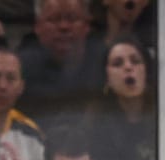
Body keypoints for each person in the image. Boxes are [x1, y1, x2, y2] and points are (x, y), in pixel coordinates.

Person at [15, 0, 108, 131]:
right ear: (37, 27)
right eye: (54, 20)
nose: (64, 27)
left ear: (87, 25)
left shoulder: (107, 61)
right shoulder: (18, 68)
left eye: (72, 19)